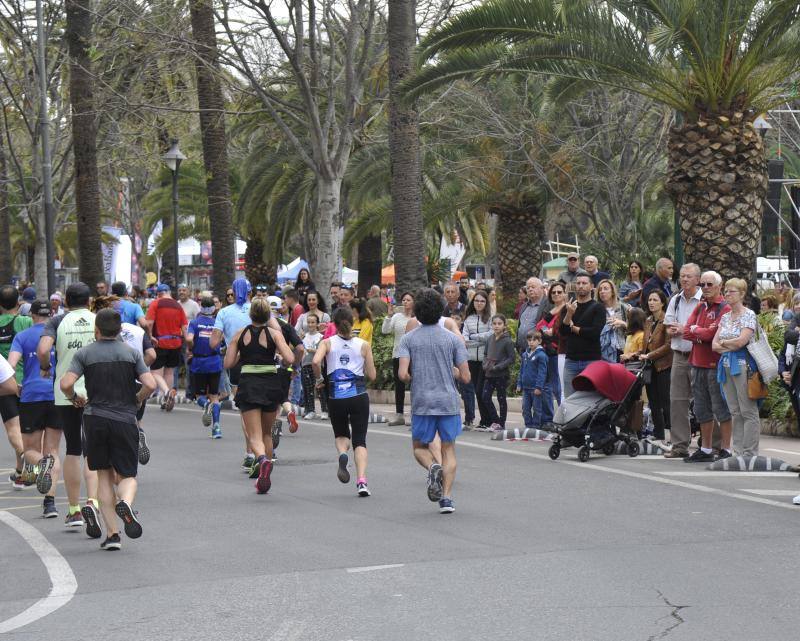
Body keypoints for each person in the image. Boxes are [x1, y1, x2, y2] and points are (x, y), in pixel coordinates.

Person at [60, 308, 156, 550]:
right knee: (128, 476)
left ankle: (113, 535)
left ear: (97, 329)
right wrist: (138, 399)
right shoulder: (131, 353)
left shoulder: (85, 353)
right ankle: (125, 502)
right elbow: (151, 384)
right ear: (119, 329)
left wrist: (75, 398)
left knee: (103, 474)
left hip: (94, 419)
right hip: (124, 419)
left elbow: (66, 383)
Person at [397, 288, 470, 514]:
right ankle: (446, 499)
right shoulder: (452, 340)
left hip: (422, 401)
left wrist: (413, 375)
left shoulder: (408, 339)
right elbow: (466, 376)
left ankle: (432, 466)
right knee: (449, 450)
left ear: (417, 312)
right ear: (441, 311)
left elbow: (403, 375)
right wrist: (453, 372)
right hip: (448, 401)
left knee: (419, 447)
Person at [37, 282, 99, 530]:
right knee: (93, 449)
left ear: (65, 301)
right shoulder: (97, 319)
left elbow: (43, 350)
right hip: (96, 391)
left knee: (73, 448)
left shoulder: (57, 321)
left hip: (66, 391)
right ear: (89, 301)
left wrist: (45, 366)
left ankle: (74, 510)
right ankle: (93, 502)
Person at [224, 297, 294, 494]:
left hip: (249, 385)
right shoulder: (275, 334)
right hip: (271, 384)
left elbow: (228, 364)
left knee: (254, 435)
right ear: (268, 315)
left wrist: (240, 355)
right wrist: (277, 358)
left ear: (250, 314)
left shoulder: (240, 334)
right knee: (266, 433)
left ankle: (261, 460)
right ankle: (266, 472)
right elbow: (289, 359)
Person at [312, 307, 377, 497]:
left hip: (336, 396)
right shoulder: (363, 344)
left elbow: (315, 362)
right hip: (358, 396)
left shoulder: (327, 342)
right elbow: (372, 375)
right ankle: (362, 481)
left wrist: (320, 381)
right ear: (353, 321)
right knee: (360, 440)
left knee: (341, 435)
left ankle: (342, 454)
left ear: (335, 324)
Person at [7, 301, 60, 517]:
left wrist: (14, 385)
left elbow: (10, 365)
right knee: (53, 451)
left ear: (32, 315)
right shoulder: (57, 336)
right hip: (56, 395)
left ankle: (41, 465)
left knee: (30, 450)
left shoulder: (22, 337)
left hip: (31, 395)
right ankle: (50, 504)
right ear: (51, 315)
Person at [92, 296, 156, 466]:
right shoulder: (138, 331)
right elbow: (152, 355)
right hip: (138, 380)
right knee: (134, 420)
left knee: (114, 421)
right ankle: (137, 436)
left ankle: (118, 462)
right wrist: (139, 371)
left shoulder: (103, 334)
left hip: (111, 379)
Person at [683, 271, 732, 462]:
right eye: (702, 284)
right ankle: (706, 448)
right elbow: (686, 331)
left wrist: (699, 332)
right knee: (702, 408)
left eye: (709, 284)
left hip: (715, 365)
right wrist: (700, 333)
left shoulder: (725, 308)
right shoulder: (700, 306)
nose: (705, 288)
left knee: (721, 408)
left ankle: (726, 449)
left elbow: (711, 336)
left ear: (719, 286)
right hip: (697, 363)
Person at [712, 278, 760, 457]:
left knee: (748, 410)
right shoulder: (725, 317)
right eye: (725, 291)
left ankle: (750, 452)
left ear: (741, 294)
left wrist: (725, 343)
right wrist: (728, 344)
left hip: (743, 366)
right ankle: (738, 451)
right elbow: (714, 346)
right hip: (725, 366)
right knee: (734, 410)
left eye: (731, 291)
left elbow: (741, 342)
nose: (727, 294)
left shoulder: (749, 315)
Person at [662, 263, 703, 458]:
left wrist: (683, 329)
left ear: (697, 279)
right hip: (679, 355)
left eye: (688, 276)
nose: (684, 279)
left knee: (704, 400)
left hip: (699, 354)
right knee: (677, 401)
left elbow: (704, 327)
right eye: (682, 276)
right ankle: (679, 445)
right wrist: (674, 329)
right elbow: (668, 324)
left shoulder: (704, 300)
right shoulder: (675, 300)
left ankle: (714, 445)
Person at [0, 284, 32, 489]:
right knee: (26, 430)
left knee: (13, 427)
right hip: (28, 381)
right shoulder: (26, 321)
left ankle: (29, 465)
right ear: (18, 303)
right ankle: (21, 471)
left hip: (5, 382)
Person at [561, 273, 606, 397]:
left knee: (590, 401)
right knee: (569, 400)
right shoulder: (569, 306)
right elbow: (563, 332)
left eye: (584, 283)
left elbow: (594, 333)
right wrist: (569, 314)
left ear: (591, 286)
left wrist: (574, 328)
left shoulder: (598, 308)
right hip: (571, 361)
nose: (580, 286)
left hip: (591, 360)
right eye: (578, 283)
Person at [145, 284, 187, 411]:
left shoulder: (156, 303)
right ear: (169, 292)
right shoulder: (178, 305)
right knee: (169, 372)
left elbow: (149, 323)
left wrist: (150, 336)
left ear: (158, 294)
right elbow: (184, 326)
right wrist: (187, 342)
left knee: (155, 372)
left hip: (160, 342)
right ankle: (166, 399)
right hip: (176, 343)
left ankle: (167, 392)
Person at [187, 296, 224, 439]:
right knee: (215, 397)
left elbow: (189, 339)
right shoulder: (217, 324)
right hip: (215, 362)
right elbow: (223, 340)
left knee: (199, 396)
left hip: (199, 363)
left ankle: (205, 405)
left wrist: (191, 348)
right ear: (213, 309)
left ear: (201, 308)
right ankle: (217, 428)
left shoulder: (195, 323)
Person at [641, 290, 672, 445]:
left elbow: (669, 345)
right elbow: (645, 344)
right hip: (649, 367)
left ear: (662, 302)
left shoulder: (667, 319)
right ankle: (658, 433)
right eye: (650, 299)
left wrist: (650, 355)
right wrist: (639, 354)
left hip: (664, 366)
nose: (651, 302)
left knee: (666, 402)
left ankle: (674, 435)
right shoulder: (647, 321)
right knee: (653, 402)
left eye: (655, 300)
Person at [381, 291, 414, 426]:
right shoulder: (397, 316)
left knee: (415, 385)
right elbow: (385, 330)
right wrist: (388, 316)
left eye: (409, 300)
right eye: (404, 300)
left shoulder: (417, 318)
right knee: (399, 385)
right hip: (398, 354)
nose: (406, 302)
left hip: (414, 355)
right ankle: (399, 414)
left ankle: (414, 414)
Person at [461, 290, 493, 429]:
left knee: (482, 391)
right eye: (476, 301)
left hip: (485, 360)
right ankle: (482, 420)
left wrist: (475, 337)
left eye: (482, 301)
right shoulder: (468, 319)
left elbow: (490, 336)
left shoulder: (491, 318)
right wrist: (480, 339)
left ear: (486, 303)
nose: (479, 303)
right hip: (471, 359)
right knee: (474, 391)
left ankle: (488, 420)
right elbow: (464, 339)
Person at [482, 314, 515, 431]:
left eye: (499, 324)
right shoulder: (490, 338)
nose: (496, 326)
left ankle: (502, 423)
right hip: (489, 374)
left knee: (501, 399)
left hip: (501, 375)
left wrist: (499, 367)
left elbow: (511, 358)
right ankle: (496, 421)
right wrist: (485, 364)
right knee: (485, 397)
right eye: (494, 323)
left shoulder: (507, 341)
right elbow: (485, 354)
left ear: (504, 325)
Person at [536, 283, 566, 412]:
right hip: (548, 351)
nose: (556, 294)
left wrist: (551, 331)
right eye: (554, 292)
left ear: (565, 293)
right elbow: (539, 327)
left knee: (559, 386)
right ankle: (551, 416)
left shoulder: (567, 310)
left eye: (559, 292)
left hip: (561, 352)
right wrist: (547, 329)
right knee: (549, 386)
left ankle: (563, 414)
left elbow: (561, 330)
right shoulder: (551, 310)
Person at [516, 330, 548, 429]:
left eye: (534, 340)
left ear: (539, 341)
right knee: (525, 408)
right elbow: (521, 370)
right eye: (529, 340)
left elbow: (542, 373)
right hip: (526, 387)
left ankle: (536, 426)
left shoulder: (541, 355)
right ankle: (528, 426)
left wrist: (539, 387)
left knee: (537, 409)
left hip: (535, 388)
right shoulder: (525, 355)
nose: (531, 342)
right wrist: (519, 383)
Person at [300, 313, 328, 419]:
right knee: (308, 388)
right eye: (309, 322)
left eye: (313, 322)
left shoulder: (321, 337)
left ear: (317, 324)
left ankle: (324, 410)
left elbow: (324, 352)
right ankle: (310, 410)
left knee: (320, 387)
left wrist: (314, 350)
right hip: (305, 364)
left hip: (318, 365)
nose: (310, 325)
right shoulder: (304, 336)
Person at [597, 279, 629, 363]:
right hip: (602, 351)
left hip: (621, 350)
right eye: (600, 289)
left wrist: (623, 323)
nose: (602, 291)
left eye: (605, 288)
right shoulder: (597, 309)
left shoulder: (624, 308)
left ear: (613, 291)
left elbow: (636, 329)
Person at [516, 277, 550, 353]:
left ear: (541, 288)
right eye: (528, 288)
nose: (530, 289)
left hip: (539, 351)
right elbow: (520, 325)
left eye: (533, 287)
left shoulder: (548, 305)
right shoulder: (524, 306)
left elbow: (547, 326)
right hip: (523, 350)